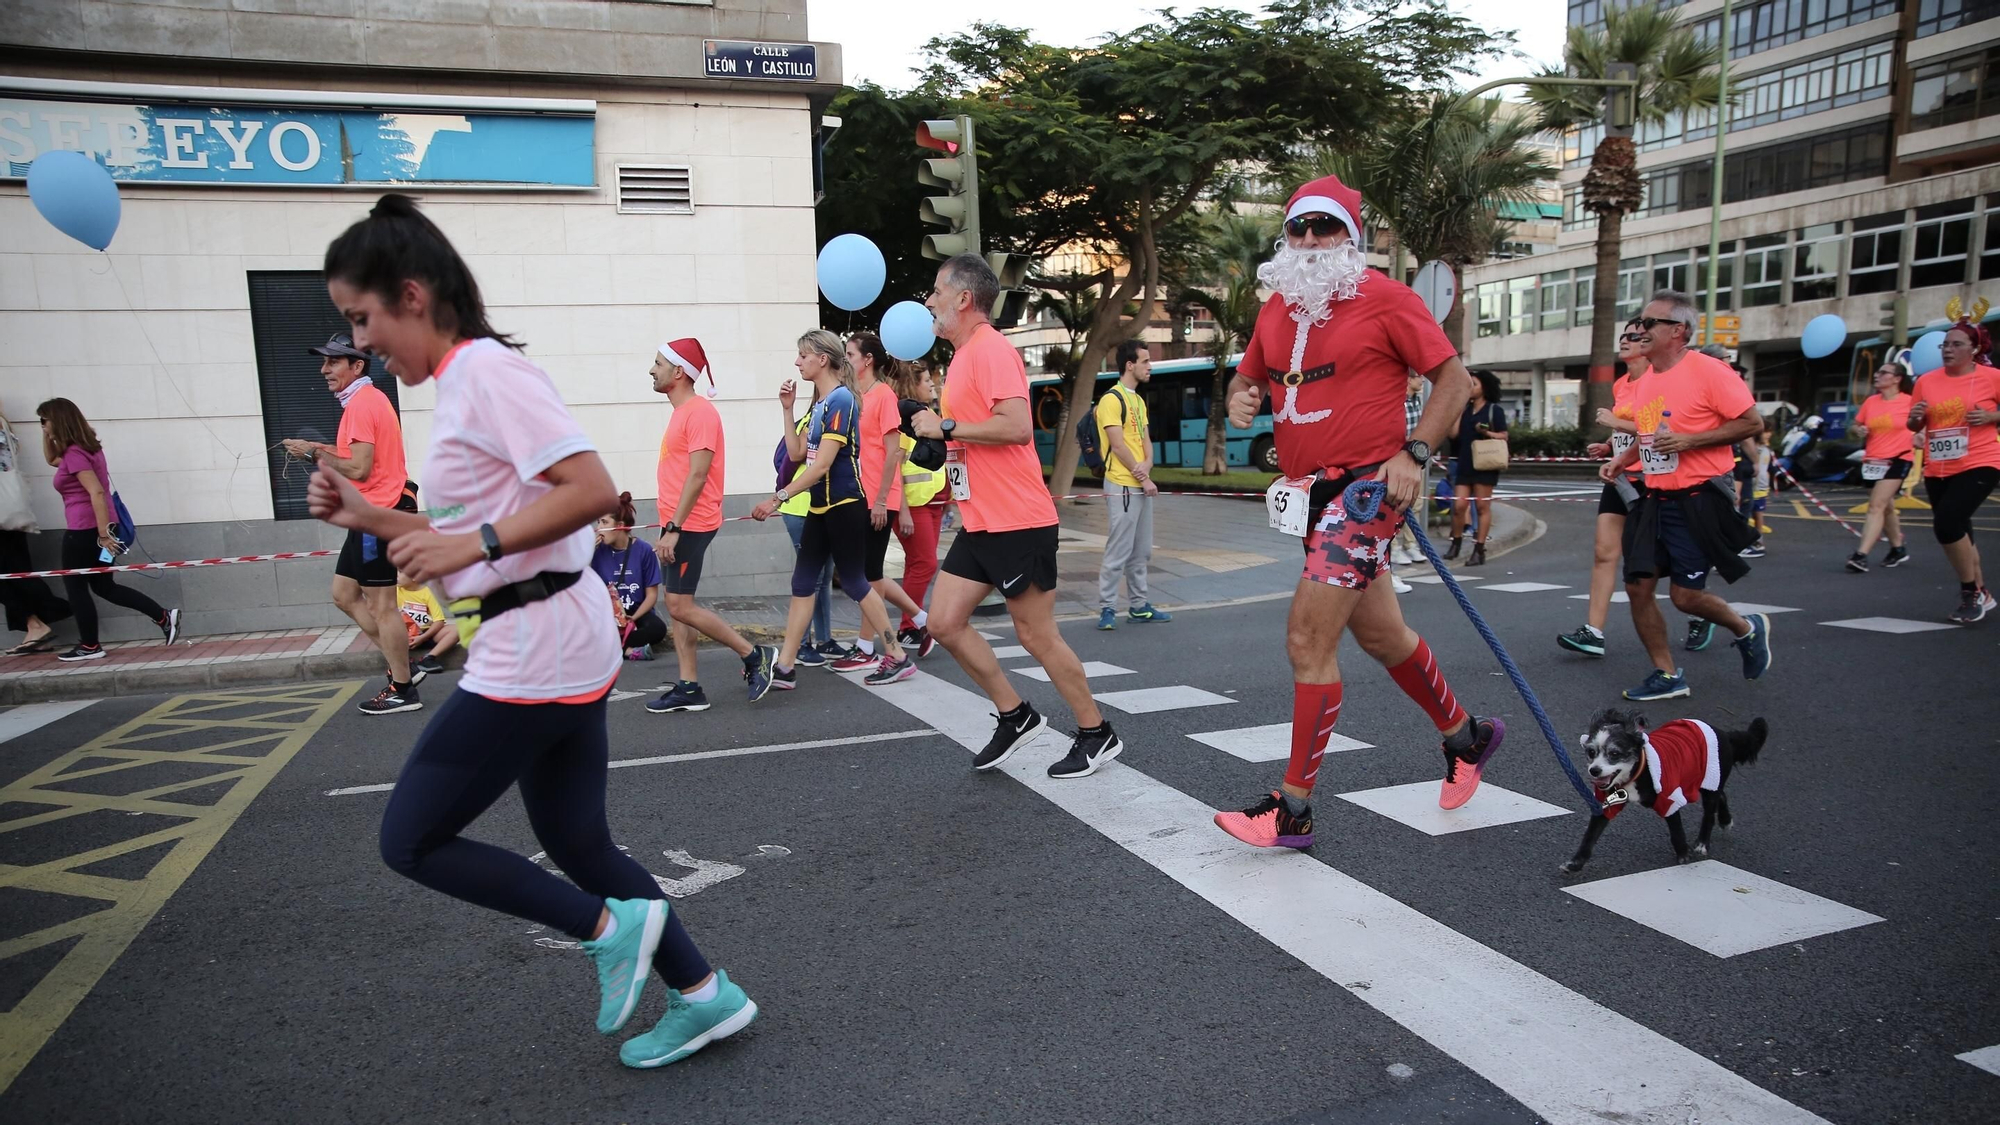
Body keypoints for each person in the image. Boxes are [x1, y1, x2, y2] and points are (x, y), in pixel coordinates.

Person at [313, 193, 753, 1071]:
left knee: (411, 839)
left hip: (539, 643)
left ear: (411, 296)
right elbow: (472, 525)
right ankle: (707, 994)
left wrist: (471, 547)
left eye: (361, 320)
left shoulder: (485, 374)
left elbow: (589, 491)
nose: (359, 345)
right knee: (578, 841)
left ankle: (605, 929)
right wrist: (371, 516)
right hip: (547, 632)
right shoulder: (462, 383)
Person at [1207, 173, 1505, 850]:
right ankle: (1467, 737)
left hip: (1366, 492)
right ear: (1286, 237)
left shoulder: (1387, 298)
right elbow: (1249, 378)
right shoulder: (1276, 309)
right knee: (1384, 636)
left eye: (1327, 227)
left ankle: (1293, 810)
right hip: (1310, 496)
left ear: (1352, 237)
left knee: (1307, 642)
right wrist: (1239, 398)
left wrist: (1415, 453)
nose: (1312, 239)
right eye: (1299, 227)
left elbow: (1454, 380)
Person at [908, 253, 1124, 779]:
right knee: (944, 622)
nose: (929, 301)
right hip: (981, 521)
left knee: (1037, 635)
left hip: (1018, 520)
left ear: (964, 299)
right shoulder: (962, 357)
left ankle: (1096, 732)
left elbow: (1017, 426)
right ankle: (1016, 714)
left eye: (937, 291)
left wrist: (947, 428)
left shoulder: (991, 349)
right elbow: (974, 434)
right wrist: (940, 441)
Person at [1598, 290, 1771, 702]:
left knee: (1685, 597)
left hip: (1700, 497)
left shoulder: (1709, 371)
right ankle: (1666, 673)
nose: (1639, 330)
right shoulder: (1645, 382)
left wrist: (1690, 441)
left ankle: (1747, 628)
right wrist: (1621, 460)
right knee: (1638, 586)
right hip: (1655, 497)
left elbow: (1751, 423)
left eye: (1649, 323)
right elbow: (1649, 436)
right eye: (1637, 323)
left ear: (1678, 331)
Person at [749, 331, 915, 689]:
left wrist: (777, 498)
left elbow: (823, 465)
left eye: (803, 355)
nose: (797, 362)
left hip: (844, 505)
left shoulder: (841, 400)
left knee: (855, 581)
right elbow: (797, 454)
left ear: (822, 359)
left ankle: (897, 655)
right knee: (803, 582)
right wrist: (787, 409)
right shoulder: (821, 403)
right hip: (821, 507)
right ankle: (786, 667)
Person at [283, 332, 418, 715]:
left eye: (333, 362)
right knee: (344, 595)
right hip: (370, 513)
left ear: (357, 366)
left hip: (379, 513)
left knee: (382, 605)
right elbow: (357, 459)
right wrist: (317, 450)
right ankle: (404, 664)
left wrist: (313, 454)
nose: (324, 369)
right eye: (324, 361)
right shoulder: (365, 400)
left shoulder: (361, 403)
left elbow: (359, 468)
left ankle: (403, 688)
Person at [645, 339, 777, 712]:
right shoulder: (682, 412)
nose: (652, 370)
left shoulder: (700, 413)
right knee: (679, 606)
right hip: (676, 522)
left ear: (679, 371)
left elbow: (698, 475)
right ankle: (689, 687)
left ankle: (755, 655)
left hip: (689, 524)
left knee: (679, 605)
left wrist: (674, 528)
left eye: (658, 363)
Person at [34, 398, 181, 661]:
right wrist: (47, 435)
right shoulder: (86, 448)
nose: (42, 426)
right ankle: (163, 616)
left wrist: (103, 535)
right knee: (104, 586)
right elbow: (51, 459)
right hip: (102, 527)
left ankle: (90, 646)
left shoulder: (75, 454)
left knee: (76, 587)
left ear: (58, 420)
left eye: (44, 421)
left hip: (85, 530)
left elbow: (97, 492)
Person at [1559, 317, 1648, 658]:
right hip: (1621, 476)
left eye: (1634, 336)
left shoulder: (1660, 381)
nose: (1625, 340)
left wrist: (1616, 422)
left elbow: (1662, 428)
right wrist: (1609, 445)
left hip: (1655, 480)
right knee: (1604, 552)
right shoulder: (1622, 383)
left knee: (1661, 562)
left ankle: (1699, 611)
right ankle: (1593, 632)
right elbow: (1625, 428)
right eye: (1624, 335)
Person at [845, 331, 933, 665]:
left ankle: (867, 646)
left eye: (850, 355)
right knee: (869, 572)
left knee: (868, 574)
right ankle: (922, 620)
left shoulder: (883, 395)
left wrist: (881, 500)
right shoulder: (853, 395)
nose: (846, 361)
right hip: (859, 494)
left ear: (868, 360)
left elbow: (892, 452)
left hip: (879, 497)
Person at [1907, 318, 2000, 624]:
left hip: (1981, 460)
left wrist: (1991, 417)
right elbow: (1914, 424)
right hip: (1939, 466)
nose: (1948, 349)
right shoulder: (1926, 381)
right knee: (1960, 529)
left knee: (1947, 523)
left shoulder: (1992, 377)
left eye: (1956, 344)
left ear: (1974, 349)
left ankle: (1969, 592)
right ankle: (1982, 592)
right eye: (1944, 344)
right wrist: (1916, 419)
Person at [1092, 339, 1173, 629]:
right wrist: (1145, 477)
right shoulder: (1111, 400)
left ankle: (1139, 606)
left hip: (1138, 484)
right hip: (1122, 485)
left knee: (1141, 551)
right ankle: (1107, 608)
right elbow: (1117, 446)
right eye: (1145, 361)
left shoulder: (1137, 400)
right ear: (1130, 365)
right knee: (1119, 549)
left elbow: (1145, 440)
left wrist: (1148, 462)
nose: (1150, 366)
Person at [774, 384, 842, 668]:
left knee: (823, 579)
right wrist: (787, 410)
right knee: (810, 578)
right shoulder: (814, 420)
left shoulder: (832, 417)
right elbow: (797, 455)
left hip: (821, 509)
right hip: (801, 508)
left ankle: (824, 640)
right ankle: (801, 645)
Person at [0, 406, 70, 654]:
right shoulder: (4, 428)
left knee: (12, 573)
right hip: (9, 515)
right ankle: (36, 625)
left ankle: (37, 622)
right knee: (15, 570)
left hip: (3, 516)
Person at [892, 359, 949, 651]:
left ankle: (909, 626)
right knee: (925, 564)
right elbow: (893, 467)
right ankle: (910, 625)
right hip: (914, 505)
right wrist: (902, 509)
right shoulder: (903, 420)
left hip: (934, 501)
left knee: (918, 564)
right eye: (926, 380)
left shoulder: (929, 416)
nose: (931, 385)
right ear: (912, 385)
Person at [1846, 362, 1916, 574]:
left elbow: (1924, 424)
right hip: (1873, 461)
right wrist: (1858, 430)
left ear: (1897, 379)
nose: (1877, 375)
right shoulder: (1871, 402)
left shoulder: (1909, 401)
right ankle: (1898, 548)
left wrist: (1922, 435)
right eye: (1877, 372)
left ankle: (1861, 555)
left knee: (1876, 506)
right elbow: (1855, 425)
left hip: (1899, 457)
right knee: (1886, 507)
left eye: (1883, 372)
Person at [593, 495, 668, 660]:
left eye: (604, 523)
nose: (599, 528)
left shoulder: (644, 550)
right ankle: (628, 650)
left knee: (657, 628)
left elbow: (652, 595)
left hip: (636, 613)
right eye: (598, 522)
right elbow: (581, 585)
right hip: (608, 615)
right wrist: (587, 554)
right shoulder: (597, 552)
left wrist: (632, 618)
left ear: (620, 526)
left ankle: (611, 648)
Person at [1445, 369, 1507, 566]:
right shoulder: (1465, 409)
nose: (1470, 387)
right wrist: (1458, 407)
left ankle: (1479, 549)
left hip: (1485, 464)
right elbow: (1453, 434)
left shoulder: (1494, 410)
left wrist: (1487, 433)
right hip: (1464, 463)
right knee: (1459, 506)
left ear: (1484, 388)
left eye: (1474, 384)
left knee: (1482, 507)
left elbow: (1504, 435)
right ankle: (1455, 542)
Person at [1383, 370, 1427, 594]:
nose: (1422, 380)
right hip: (1395, 460)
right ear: (1408, 379)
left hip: (1414, 461)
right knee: (1393, 508)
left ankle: (1409, 545)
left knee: (1414, 505)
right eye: (1418, 376)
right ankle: (1394, 553)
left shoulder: (1417, 401)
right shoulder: (1395, 400)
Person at [395, 567, 456, 681]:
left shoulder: (427, 592)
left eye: (401, 572)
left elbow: (439, 620)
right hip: (403, 636)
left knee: (457, 629)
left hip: (424, 634)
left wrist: (422, 637)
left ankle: (428, 659)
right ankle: (405, 663)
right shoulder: (395, 591)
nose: (396, 575)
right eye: (396, 572)